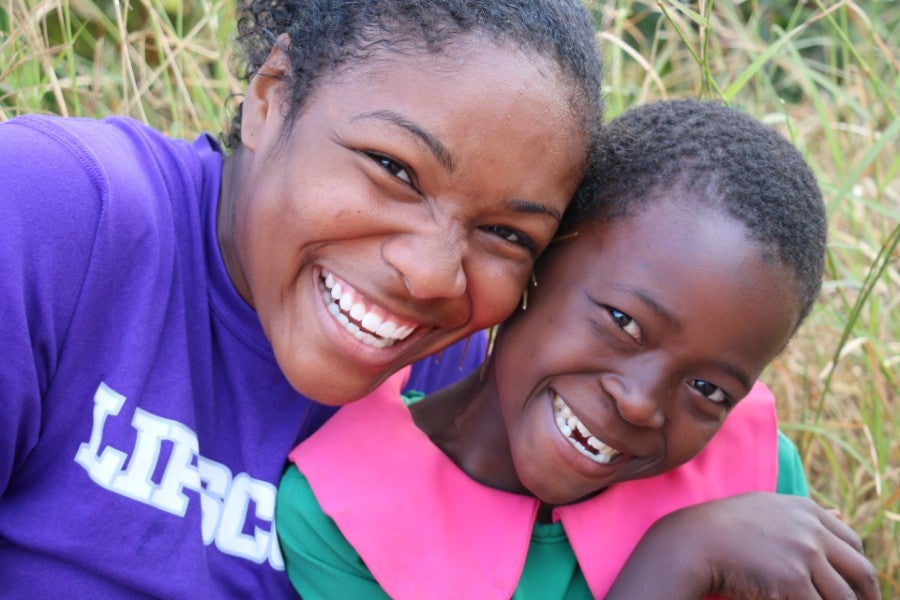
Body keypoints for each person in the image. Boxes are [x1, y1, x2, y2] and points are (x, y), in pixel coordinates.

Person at [0, 0, 604, 596]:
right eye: (393, 169)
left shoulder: (449, 389)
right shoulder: (53, 215)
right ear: (271, 97)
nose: (429, 277)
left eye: (506, 234)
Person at [276, 100, 880, 599]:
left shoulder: (754, 474)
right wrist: (678, 560)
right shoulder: (344, 514)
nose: (641, 404)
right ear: (536, 262)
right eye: (624, 322)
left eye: (709, 389)